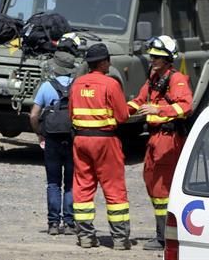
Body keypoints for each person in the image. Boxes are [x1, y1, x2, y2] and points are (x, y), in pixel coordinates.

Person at [127, 35, 193, 251]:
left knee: (162, 188)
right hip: (155, 137)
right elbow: (139, 100)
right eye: (152, 56)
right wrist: (118, 109)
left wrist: (159, 110)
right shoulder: (154, 78)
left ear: (168, 59)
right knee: (150, 181)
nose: (152, 59)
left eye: (157, 57)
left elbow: (185, 106)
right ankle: (162, 233)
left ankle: (165, 237)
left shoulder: (176, 79)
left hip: (169, 138)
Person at [69, 43, 131, 250]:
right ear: (103, 62)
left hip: (81, 141)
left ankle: (85, 236)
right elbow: (123, 116)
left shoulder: (77, 84)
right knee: (114, 188)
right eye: (108, 60)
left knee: (83, 187)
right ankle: (120, 239)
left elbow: (71, 114)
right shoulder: (110, 84)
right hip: (105, 141)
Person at [29, 36, 81, 236]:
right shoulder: (78, 86)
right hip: (72, 138)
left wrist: (39, 134)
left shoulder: (46, 86)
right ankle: (69, 223)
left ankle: (52, 224)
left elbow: (34, 115)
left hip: (51, 138)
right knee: (70, 182)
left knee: (53, 182)